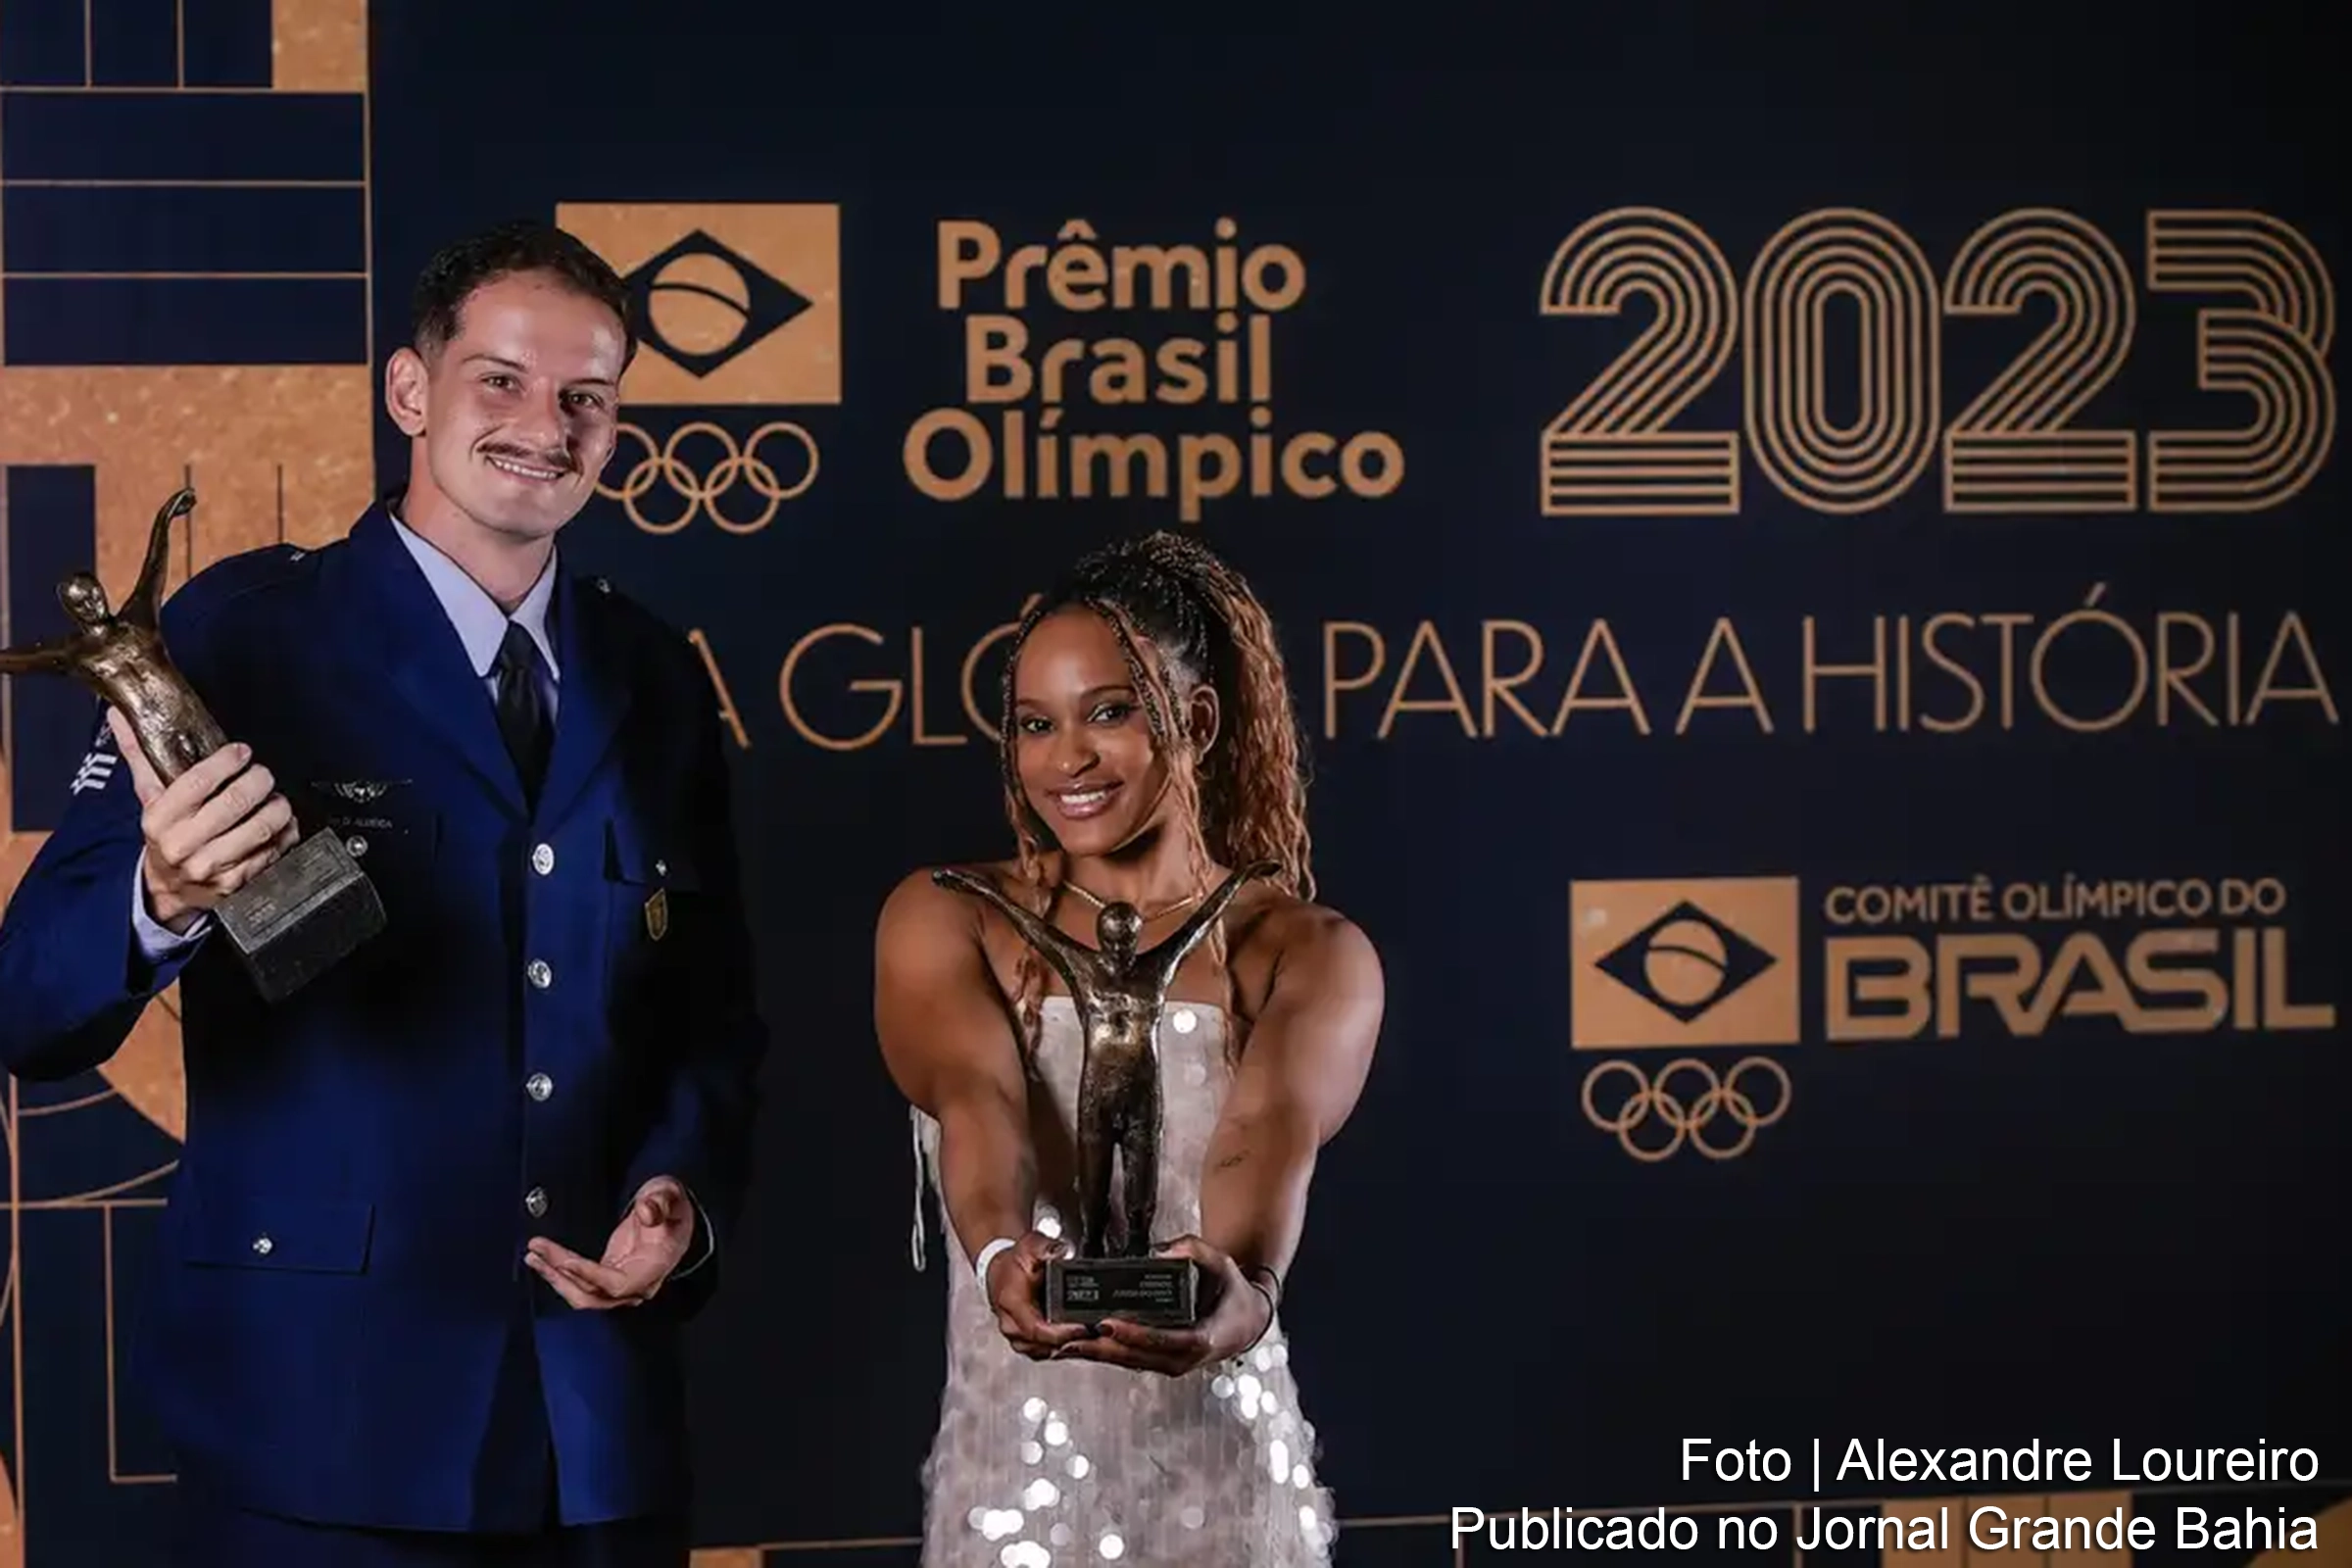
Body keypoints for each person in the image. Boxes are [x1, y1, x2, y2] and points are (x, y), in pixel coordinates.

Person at [0, 220, 768, 1566]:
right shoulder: (237, 636)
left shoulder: (653, 674)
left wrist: (681, 1195)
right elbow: (26, 1004)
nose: (548, 426)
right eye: (503, 382)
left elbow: (710, 1012)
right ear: (410, 392)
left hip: (594, 1425)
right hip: (321, 1415)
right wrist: (162, 891)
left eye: (588, 397)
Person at [874, 531, 1385, 1565]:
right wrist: (998, 1250)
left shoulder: (1306, 949)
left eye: (1108, 712)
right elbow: (981, 1105)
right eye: (1034, 723)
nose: (1066, 759)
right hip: (1010, 1489)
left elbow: (1262, 1141)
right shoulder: (948, 917)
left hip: (1227, 1489)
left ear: (1191, 720)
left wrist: (1240, 1290)